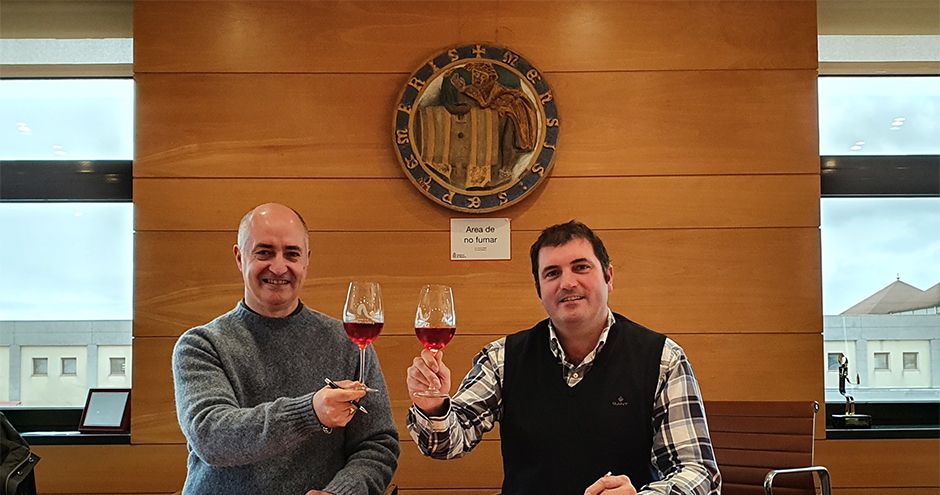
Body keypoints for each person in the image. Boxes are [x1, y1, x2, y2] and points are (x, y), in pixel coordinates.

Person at [406, 220, 721, 495]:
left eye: (581, 267)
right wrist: (433, 407)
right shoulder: (502, 358)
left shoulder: (663, 359)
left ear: (609, 277)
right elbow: (446, 445)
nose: (568, 283)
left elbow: (699, 473)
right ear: (539, 289)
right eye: (552, 273)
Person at [172, 203, 399, 495]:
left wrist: (341, 492)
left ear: (306, 261)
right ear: (240, 258)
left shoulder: (348, 343)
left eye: (292, 254)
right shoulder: (201, 345)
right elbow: (211, 437)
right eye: (264, 252)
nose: (279, 267)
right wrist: (309, 412)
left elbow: (377, 444)